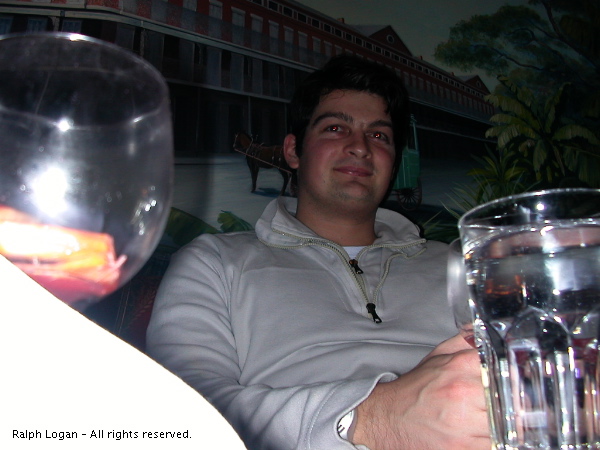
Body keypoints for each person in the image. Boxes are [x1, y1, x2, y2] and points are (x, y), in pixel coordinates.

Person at [146, 54, 489, 449]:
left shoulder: (460, 264)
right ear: (293, 151)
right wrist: (373, 421)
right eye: (335, 128)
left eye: (379, 136)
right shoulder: (214, 261)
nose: (360, 147)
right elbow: (182, 416)